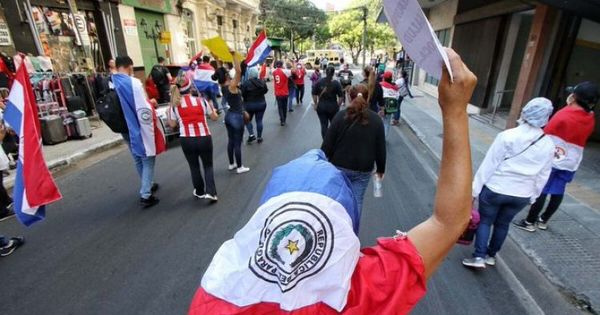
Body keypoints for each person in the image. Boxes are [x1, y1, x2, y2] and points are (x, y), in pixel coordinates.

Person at [188, 48, 478, 314]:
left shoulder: (212, 293)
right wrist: (455, 111)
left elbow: (326, 146)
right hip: (361, 174)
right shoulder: (355, 295)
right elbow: (448, 222)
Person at [462, 98, 555, 269]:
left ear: (525, 112)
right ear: (546, 118)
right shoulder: (549, 145)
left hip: (496, 189)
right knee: (503, 224)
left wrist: (474, 192)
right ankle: (491, 255)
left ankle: (479, 257)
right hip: (522, 194)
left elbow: (489, 165)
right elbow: (544, 174)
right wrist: (534, 196)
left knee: (485, 221)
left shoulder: (507, 136)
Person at [515, 82, 598, 232]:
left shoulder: (563, 115)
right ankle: (543, 220)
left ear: (574, 97)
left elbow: (545, 133)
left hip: (554, 157)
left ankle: (529, 222)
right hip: (571, 160)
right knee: (558, 190)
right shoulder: (590, 118)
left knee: (543, 189)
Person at [321, 84, 385, 226]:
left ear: (350, 97)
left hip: (340, 165)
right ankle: (352, 232)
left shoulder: (340, 116)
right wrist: (381, 169)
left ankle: (335, 229)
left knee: (336, 199)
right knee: (357, 201)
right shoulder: (376, 120)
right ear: (368, 98)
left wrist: (323, 162)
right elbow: (381, 148)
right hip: (363, 168)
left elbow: (327, 143)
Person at [113, 56, 166, 208]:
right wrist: (152, 103)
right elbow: (143, 108)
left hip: (122, 126)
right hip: (136, 125)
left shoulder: (111, 82)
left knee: (137, 157)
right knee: (147, 156)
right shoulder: (133, 83)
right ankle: (145, 194)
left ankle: (147, 183)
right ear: (130, 66)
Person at [166, 76, 219, 202]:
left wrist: (169, 113)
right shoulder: (202, 101)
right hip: (204, 137)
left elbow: (172, 125)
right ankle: (211, 192)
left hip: (187, 139)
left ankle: (199, 191)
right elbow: (214, 117)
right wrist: (213, 108)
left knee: (194, 166)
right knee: (208, 166)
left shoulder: (174, 105)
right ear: (190, 87)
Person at [224, 52, 250, 174]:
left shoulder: (223, 86)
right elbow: (238, 71)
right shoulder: (232, 86)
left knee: (230, 140)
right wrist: (234, 55)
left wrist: (218, 58)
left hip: (229, 115)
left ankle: (231, 164)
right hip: (236, 116)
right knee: (237, 142)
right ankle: (239, 167)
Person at [312, 66, 344, 139]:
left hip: (321, 106)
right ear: (333, 73)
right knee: (333, 125)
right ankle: (332, 141)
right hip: (333, 106)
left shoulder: (319, 82)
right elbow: (341, 97)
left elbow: (314, 94)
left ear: (325, 72)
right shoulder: (336, 83)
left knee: (323, 125)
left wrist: (316, 103)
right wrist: (338, 106)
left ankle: (325, 142)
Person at [242, 67, 268, 144]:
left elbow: (243, 94)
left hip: (249, 104)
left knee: (247, 120)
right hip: (261, 103)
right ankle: (259, 137)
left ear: (249, 74)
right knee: (259, 120)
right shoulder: (262, 82)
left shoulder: (246, 83)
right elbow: (265, 91)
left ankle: (251, 134)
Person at [380, 71, 400, 138]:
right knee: (387, 123)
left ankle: (378, 137)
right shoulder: (395, 87)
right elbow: (397, 97)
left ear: (384, 78)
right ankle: (384, 138)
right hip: (390, 107)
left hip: (381, 106)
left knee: (379, 121)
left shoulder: (381, 85)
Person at [272, 61, 289, 126]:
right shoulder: (285, 71)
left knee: (280, 107)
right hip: (285, 92)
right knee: (285, 107)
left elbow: (272, 69)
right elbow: (293, 71)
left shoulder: (274, 72)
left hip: (278, 93)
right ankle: (284, 118)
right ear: (282, 65)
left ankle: (282, 120)